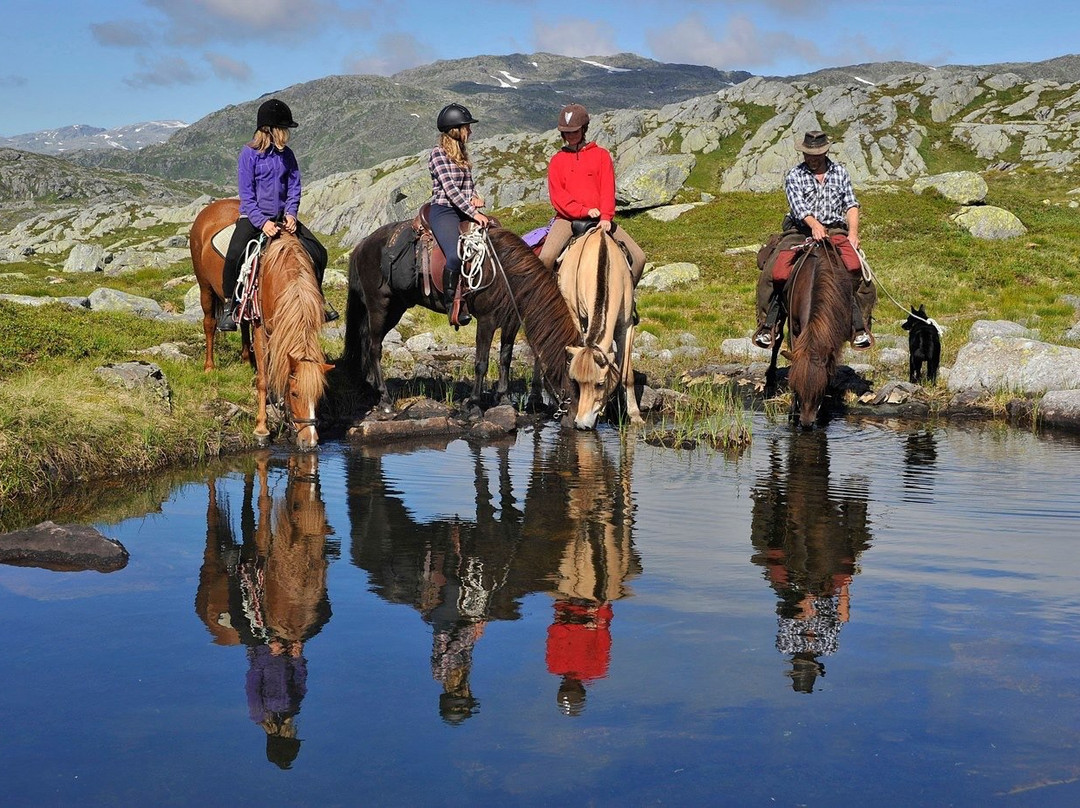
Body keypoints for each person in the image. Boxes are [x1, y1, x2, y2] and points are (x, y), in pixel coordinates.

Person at [218, 98, 336, 332]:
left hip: (283, 217)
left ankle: (317, 301)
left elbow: (294, 186)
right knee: (233, 257)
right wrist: (262, 223)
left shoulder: (287, 155)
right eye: (282, 128)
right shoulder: (248, 154)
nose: (286, 133)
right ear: (269, 130)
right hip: (254, 217)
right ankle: (230, 306)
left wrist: (291, 213)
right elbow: (247, 194)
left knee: (319, 252)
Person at [753, 130, 874, 351]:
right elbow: (798, 206)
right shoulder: (794, 175)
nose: (813, 158)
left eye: (817, 153)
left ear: (826, 151)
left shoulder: (840, 172)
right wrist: (814, 225)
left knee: (861, 273)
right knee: (773, 271)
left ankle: (859, 327)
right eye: (809, 154)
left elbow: (851, 205)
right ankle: (768, 325)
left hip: (835, 230)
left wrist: (853, 234)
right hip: (800, 230)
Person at [538, 104, 646, 289]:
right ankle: (545, 305)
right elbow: (558, 197)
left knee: (639, 258)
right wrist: (584, 211)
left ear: (584, 129)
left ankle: (627, 302)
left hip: (600, 219)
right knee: (545, 258)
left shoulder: (601, 156)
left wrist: (605, 217)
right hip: (566, 220)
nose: (570, 136)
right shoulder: (557, 161)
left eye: (575, 131)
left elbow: (607, 189)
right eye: (567, 132)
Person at [427, 102, 489, 327]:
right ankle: (450, 302)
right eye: (466, 127)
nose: (470, 131)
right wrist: (473, 211)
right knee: (454, 255)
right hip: (443, 211)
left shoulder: (462, 154)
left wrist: (474, 196)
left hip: (462, 209)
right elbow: (451, 189)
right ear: (455, 129)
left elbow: (467, 186)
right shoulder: (438, 154)